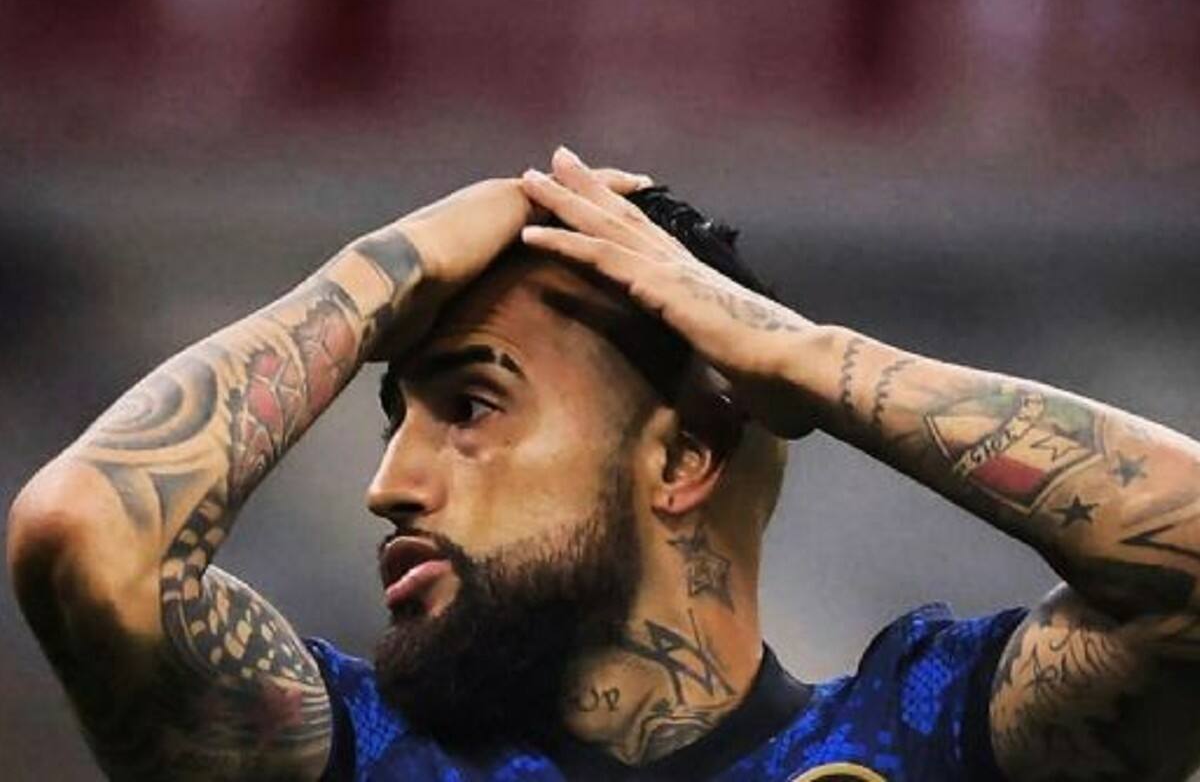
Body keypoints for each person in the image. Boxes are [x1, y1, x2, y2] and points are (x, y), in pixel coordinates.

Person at [7, 146, 1200, 782]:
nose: (391, 482)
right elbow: (82, 536)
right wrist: (380, 273)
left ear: (682, 455)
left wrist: (805, 359)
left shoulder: (928, 740)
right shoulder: (346, 755)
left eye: (470, 404)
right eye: (394, 417)